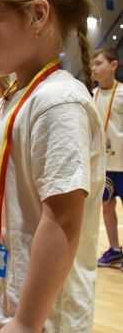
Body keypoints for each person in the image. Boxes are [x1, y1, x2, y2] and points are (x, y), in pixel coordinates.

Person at [0, 0, 105, 333]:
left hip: (45, 316)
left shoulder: (58, 102)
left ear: (37, 16)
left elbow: (62, 220)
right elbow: (4, 214)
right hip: (10, 300)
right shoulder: (7, 101)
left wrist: (27, 321)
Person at [91, 47, 123, 269]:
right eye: (92, 64)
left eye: (99, 63)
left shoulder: (122, 93)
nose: (94, 68)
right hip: (104, 165)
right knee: (107, 206)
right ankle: (114, 249)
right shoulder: (91, 95)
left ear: (113, 65)